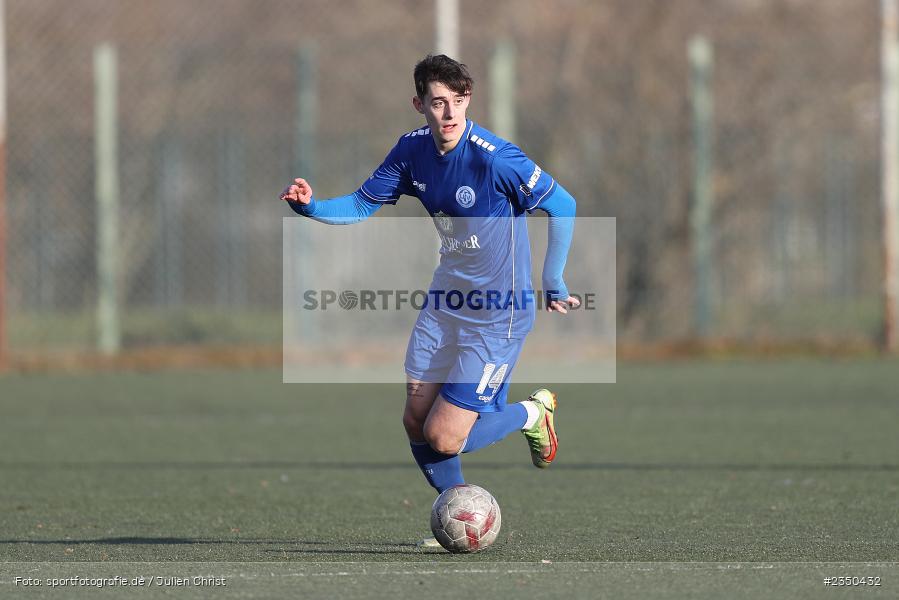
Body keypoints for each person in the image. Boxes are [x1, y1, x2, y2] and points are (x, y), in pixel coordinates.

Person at [281, 54, 578, 545]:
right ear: (419, 103)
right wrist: (310, 207)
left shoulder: (494, 157)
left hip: (497, 313)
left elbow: (562, 204)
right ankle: (460, 515)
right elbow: (360, 203)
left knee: (445, 435)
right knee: (415, 420)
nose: (450, 114)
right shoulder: (411, 151)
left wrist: (554, 278)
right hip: (445, 302)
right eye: (438, 103)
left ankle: (532, 413)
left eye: (458, 102)